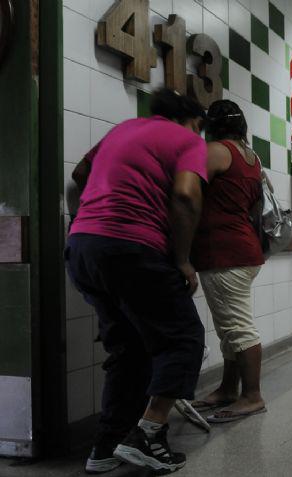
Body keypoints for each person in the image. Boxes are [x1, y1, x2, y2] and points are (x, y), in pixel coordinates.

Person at [66, 88, 207, 475]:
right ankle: (149, 432)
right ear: (192, 121)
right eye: (199, 127)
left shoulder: (122, 130)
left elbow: (79, 175)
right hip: (133, 247)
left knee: (128, 350)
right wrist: (182, 260)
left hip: (82, 248)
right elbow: (186, 196)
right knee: (184, 338)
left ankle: (105, 447)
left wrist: (91, 218)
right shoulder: (187, 140)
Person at [190, 100, 267, 423]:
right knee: (228, 328)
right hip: (245, 249)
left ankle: (252, 396)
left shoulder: (216, 151)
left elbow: (188, 191)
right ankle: (227, 388)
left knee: (237, 327)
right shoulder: (251, 157)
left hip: (224, 251)